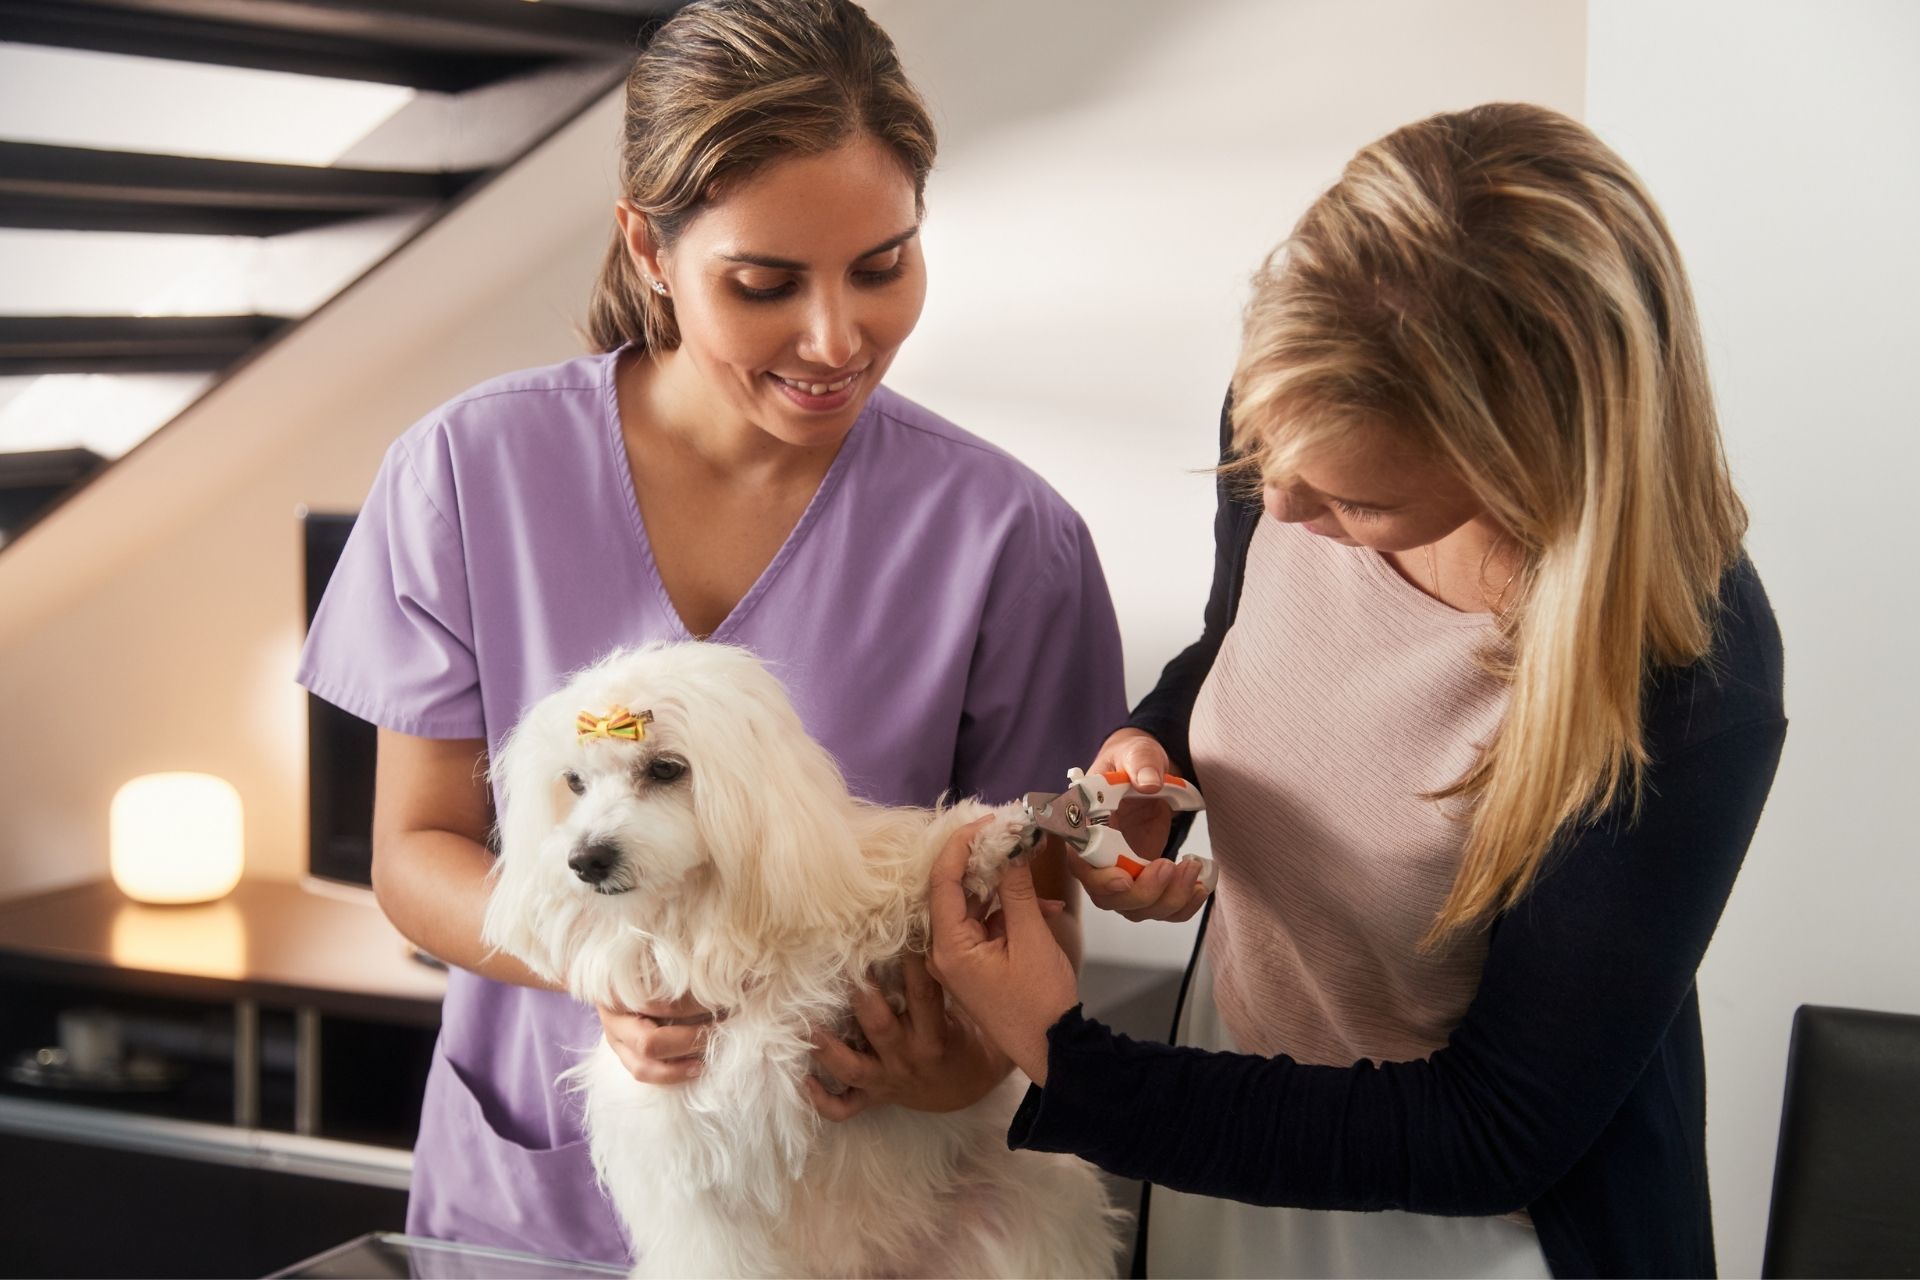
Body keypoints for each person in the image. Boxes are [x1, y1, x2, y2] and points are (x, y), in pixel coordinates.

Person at [296, 0, 1123, 1264]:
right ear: (649, 246)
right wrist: (599, 968)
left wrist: (957, 1062)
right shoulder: (466, 473)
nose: (837, 338)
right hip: (532, 1207)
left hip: (861, 1217)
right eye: (765, 283)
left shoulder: (1011, 539)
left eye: (883, 266)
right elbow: (414, 851)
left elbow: (1038, 917)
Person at [927, 103, 1786, 1279]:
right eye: (1268, 457)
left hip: (1460, 1223)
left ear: (1524, 457)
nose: (1281, 504)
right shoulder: (1300, 415)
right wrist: (1156, 742)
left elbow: (1493, 1130)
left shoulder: (1687, 673)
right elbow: (1243, 635)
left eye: (1357, 504)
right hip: (1229, 1111)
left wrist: (1062, 1054)